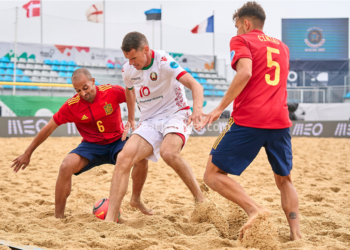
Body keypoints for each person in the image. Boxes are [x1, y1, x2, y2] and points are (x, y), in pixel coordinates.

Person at [200, 2, 302, 241]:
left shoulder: (242, 40)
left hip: (250, 120)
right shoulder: (283, 47)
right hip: (280, 121)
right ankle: (296, 235)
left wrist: (219, 108)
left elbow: (245, 72)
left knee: (212, 174)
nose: (236, 31)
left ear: (246, 23)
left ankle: (254, 209)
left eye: (237, 26)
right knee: (285, 180)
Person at [11, 68, 151, 218]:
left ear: (93, 81)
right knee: (66, 166)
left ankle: (135, 199)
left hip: (117, 140)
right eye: (78, 90)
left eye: (85, 88)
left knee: (142, 159)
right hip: (91, 146)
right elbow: (48, 128)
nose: (83, 93)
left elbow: (132, 95)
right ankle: (58, 217)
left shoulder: (111, 91)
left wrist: (132, 118)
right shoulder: (72, 106)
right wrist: (28, 153)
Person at [105, 32, 206, 222]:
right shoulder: (128, 69)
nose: (131, 63)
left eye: (134, 58)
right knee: (124, 158)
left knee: (169, 153)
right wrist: (132, 118)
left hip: (176, 113)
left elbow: (196, 86)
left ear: (146, 49)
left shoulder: (164, 62)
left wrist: (197, 110)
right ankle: (110, 219)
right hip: (150, 119)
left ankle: (201, 200)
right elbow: (129, 91)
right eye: (128, 59)